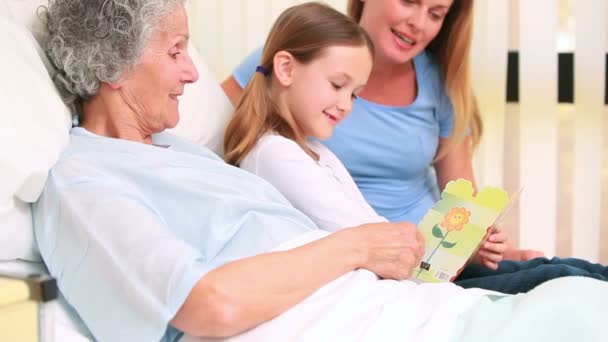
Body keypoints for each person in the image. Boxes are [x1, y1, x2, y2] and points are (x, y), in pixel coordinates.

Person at [34, 1, 608, 341]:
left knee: (581, 296)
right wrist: (358, 248)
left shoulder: (182, 153)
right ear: (112, 64)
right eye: (178, 50)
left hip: (417, 309)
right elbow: (210, 305)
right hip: (384, 320)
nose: (193, 75)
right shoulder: (85, 180)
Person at [220, 0, 608, 294]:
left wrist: (488, 247)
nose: (419, 23)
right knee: (563, 283)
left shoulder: (436, 86)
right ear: (285, 69)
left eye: (436, 13)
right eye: (409, 0)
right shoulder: (294, 63)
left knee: (568, 271)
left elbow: (460, 204)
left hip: (428, 256)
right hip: (406, 266)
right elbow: (211, 130)